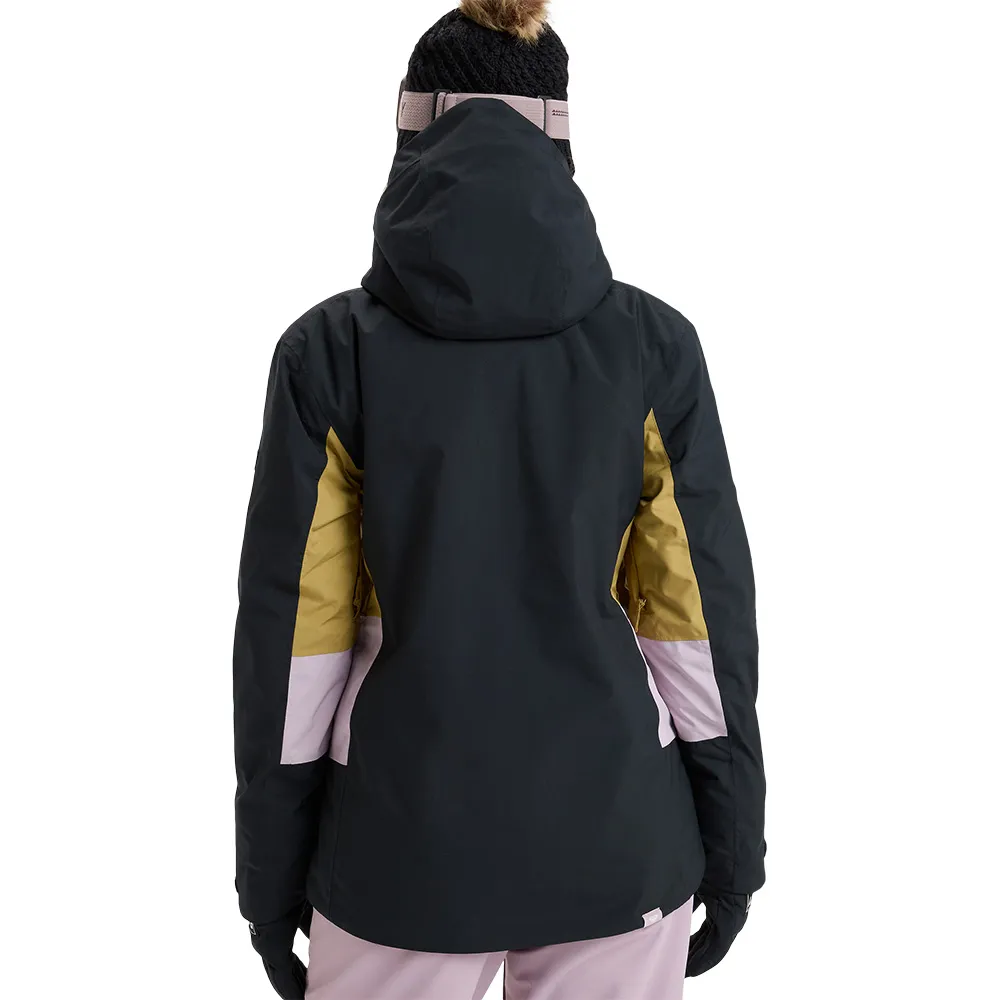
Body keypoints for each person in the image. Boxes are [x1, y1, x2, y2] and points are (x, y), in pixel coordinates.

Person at [233, 2, 766, 998]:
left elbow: (294, 652)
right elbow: (697, 630)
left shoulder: (329, 355)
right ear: (560, 137)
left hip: (397, 863)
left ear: (411, 134)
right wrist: (733, 843)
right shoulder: (652, 348)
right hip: (619, 850)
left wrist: (268, 880)